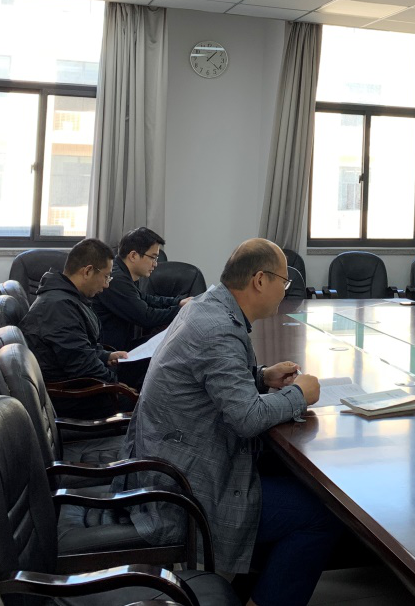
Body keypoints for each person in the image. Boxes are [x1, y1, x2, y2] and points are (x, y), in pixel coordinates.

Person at [121, 239, 341, 606]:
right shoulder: (218, 330)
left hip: (168, 462)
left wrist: (261, 376)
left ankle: (245, 582)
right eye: (283, 282)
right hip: (185, 490)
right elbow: (247, 418)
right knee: (321, 514)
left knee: (288, 476)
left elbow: (206, 380)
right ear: (260, 280)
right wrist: (299, 394)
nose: (285, 291)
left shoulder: (206, 306)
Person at [20, 237, 132, 418]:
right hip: (72, 398)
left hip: (74, 384)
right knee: (144, 401)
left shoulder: (65, 298)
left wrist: (106, 356)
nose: (106, 284)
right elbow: (83, 366)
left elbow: (77, 349)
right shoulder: (59, 307)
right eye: (106, 276)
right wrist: (118, 386)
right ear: (87, 271)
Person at [92, 227, 190, 351]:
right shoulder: (116, 279)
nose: (155, 264)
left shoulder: (125, 273)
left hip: (123, 346)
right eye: (153, 257)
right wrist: (183, 310)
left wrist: (178, 302)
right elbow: (146, 317)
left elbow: (144, 298)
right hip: (111, 354)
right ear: (133, 256)